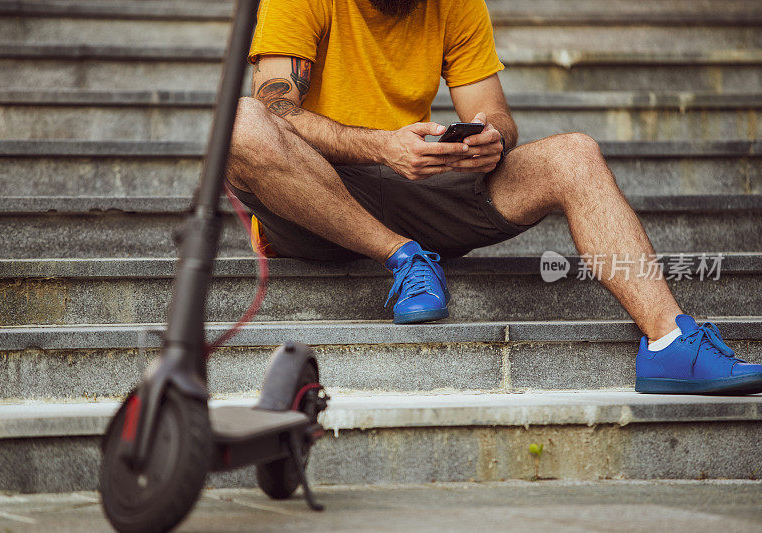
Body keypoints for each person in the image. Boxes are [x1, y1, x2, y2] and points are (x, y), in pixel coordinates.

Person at [225, 0, 762, 394]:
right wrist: (380, 146)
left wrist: (491, 138)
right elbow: (277, 110)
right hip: (316, 200)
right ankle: (402, 256)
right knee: (240, 121)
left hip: (419, 180)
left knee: (574, 152)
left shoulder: (455, 4)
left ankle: (669, 342)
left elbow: (495, 111)